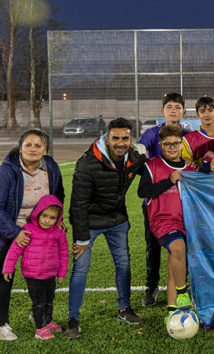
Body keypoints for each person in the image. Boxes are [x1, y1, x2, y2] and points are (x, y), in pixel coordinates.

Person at [0, 129, 64, 341]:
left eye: (38, 145)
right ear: (20, 147)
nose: (32, 149)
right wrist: (15, 233)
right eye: (28, 144)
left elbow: (58, 196)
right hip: (1, 231)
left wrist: (57, 221)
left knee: (42, 275)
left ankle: (40, 317)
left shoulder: (51, 167)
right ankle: (2, 325)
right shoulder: (5, 172)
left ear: (45, 150)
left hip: (37, 232)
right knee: (3, 278)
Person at [66, 118, 147, 338]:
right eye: (116, 138)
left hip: (117, 221)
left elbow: (152, 170)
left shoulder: (134, 158)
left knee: (123, 264)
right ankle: (73, 318)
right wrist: (81, 239)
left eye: (125, 138)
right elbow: (78, 205)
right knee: (81, 268)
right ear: (106, 138)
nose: (120, 143)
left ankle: (124, 309)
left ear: (131, 139)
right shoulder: (88, 163)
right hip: (90, 222)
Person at [137, 125, 196, 325]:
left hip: (187, 221)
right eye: (167, 144)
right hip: (163, 220)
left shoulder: (189, 167)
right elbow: (143, 192)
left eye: (176, 143)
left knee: (175, 261)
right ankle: (182, 292)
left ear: (181, 144)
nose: (172, 147)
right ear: (160, 145)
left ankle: (172, 311)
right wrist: (169, 181)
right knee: (178, 248)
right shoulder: (152, 165)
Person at [2, 194, 68, 340]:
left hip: (50, 273)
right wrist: (8, 268)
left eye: (52, 218)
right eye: (44, 215)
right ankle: (40, 328)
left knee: (49, 298)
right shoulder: (28, 230)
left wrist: (62, 272)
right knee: (39, 301)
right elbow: (15, 250)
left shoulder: (59, 233)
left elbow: (64, 253)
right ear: (38, 214)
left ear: (57, 219)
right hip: (32, 274)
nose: (47, 220)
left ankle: (48, 321)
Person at [182, 96, 214, 168]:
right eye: (202, 111)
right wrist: (203, 160)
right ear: (197, 114)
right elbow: (187, 168)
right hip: (198, 179)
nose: (206, 114)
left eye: (210, 110)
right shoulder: (188, 139)